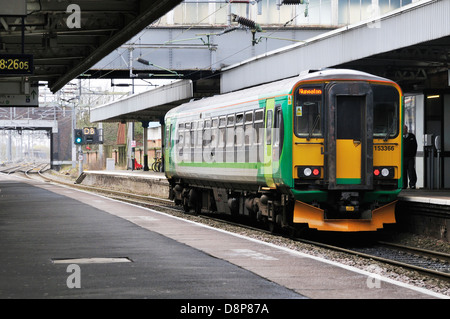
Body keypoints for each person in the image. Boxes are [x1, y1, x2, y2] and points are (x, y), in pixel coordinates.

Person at [403, 125, 417, 189]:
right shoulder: (399, 137)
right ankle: (404, 185)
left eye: (405, 129)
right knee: (403, 171)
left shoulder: (412, 136)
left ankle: (412, 184)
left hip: (410, 157)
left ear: (407, 129)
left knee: (411, 170)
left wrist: (413, 154)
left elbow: (415, 146)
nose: (404, 130)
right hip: (402, 158)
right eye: (403, 129)